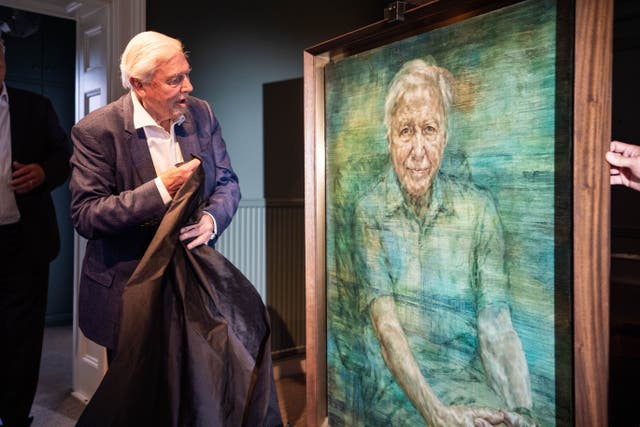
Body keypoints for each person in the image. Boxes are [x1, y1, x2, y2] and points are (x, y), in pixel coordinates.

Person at [351, 59, 534, 426]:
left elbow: (496, 326)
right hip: (395, 392)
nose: (418, 150)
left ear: (445, 137)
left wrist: (521, 413)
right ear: (389, 137)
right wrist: (438, 416)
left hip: (464, 386)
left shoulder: (479, 209)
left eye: (429, 129)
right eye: (406, 131)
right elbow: (387, 331)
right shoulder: (369, 211)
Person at [69, 30, 241, 355]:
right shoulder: (96, 131)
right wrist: (162, 188)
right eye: (175, 80)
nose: (187, 87)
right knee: (136, 402)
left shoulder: (201, 114)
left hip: (192, 285)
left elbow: (227, 182)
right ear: (139, 84)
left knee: (193, 393)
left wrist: (210, 220)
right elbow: (87, 215)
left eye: (187, 75)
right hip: (129, 291)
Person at [0, 36, 71, 427]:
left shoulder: (34, 106)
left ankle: (16, 417)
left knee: (23, 339)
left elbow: (64, 156)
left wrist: (45, 173)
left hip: (25, 245)